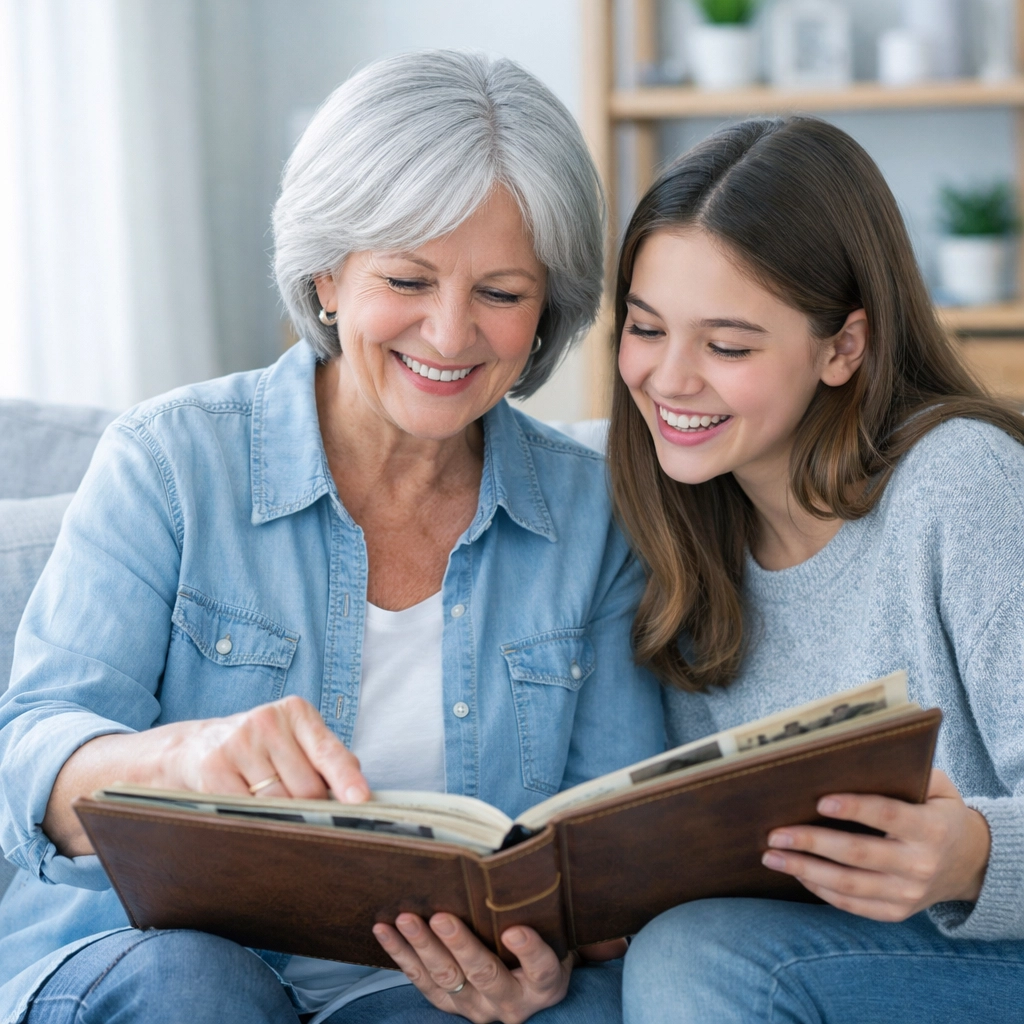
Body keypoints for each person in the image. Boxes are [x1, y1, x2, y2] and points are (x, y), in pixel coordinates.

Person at [0, 51, 665, 1024]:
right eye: (407, 277)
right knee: (200, 991)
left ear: (545, 310)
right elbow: (32, 758)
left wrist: (549, 958)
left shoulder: (594, 513)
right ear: (327, 273)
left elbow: (607, 856)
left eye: (500, 292)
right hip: (149, 962)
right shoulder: (172, 460)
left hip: (415, 997)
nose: (449, 333)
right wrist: (180, 763)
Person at [607, 117, 1024, 1022]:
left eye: (727, 346)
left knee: (696, 960)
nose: (669, 380)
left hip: (996, 954)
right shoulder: (687, 529)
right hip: (840, 955)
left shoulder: (963, 485)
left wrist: (973, 854)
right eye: (645, 328)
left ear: (844, 347)